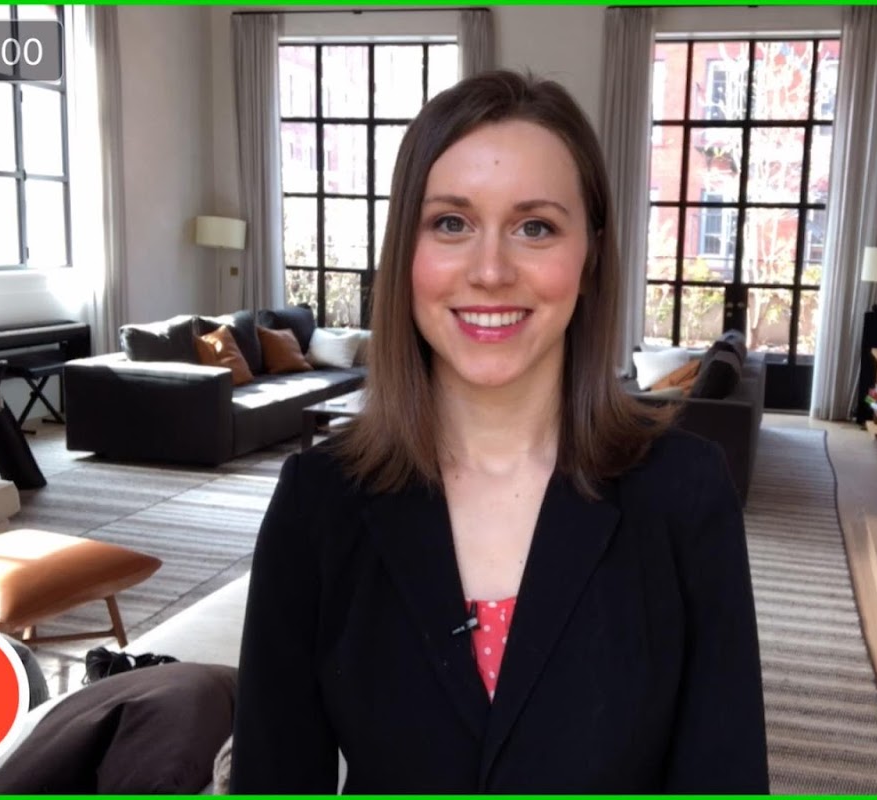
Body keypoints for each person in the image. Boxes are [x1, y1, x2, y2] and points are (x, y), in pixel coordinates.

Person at [231, 69, 767, 793]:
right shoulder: (317, 503)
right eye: (450, 223)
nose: (489, 271)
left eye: (535, 227)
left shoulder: (686, 494)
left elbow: (724, 773)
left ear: (590, 257)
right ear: (406, 252)